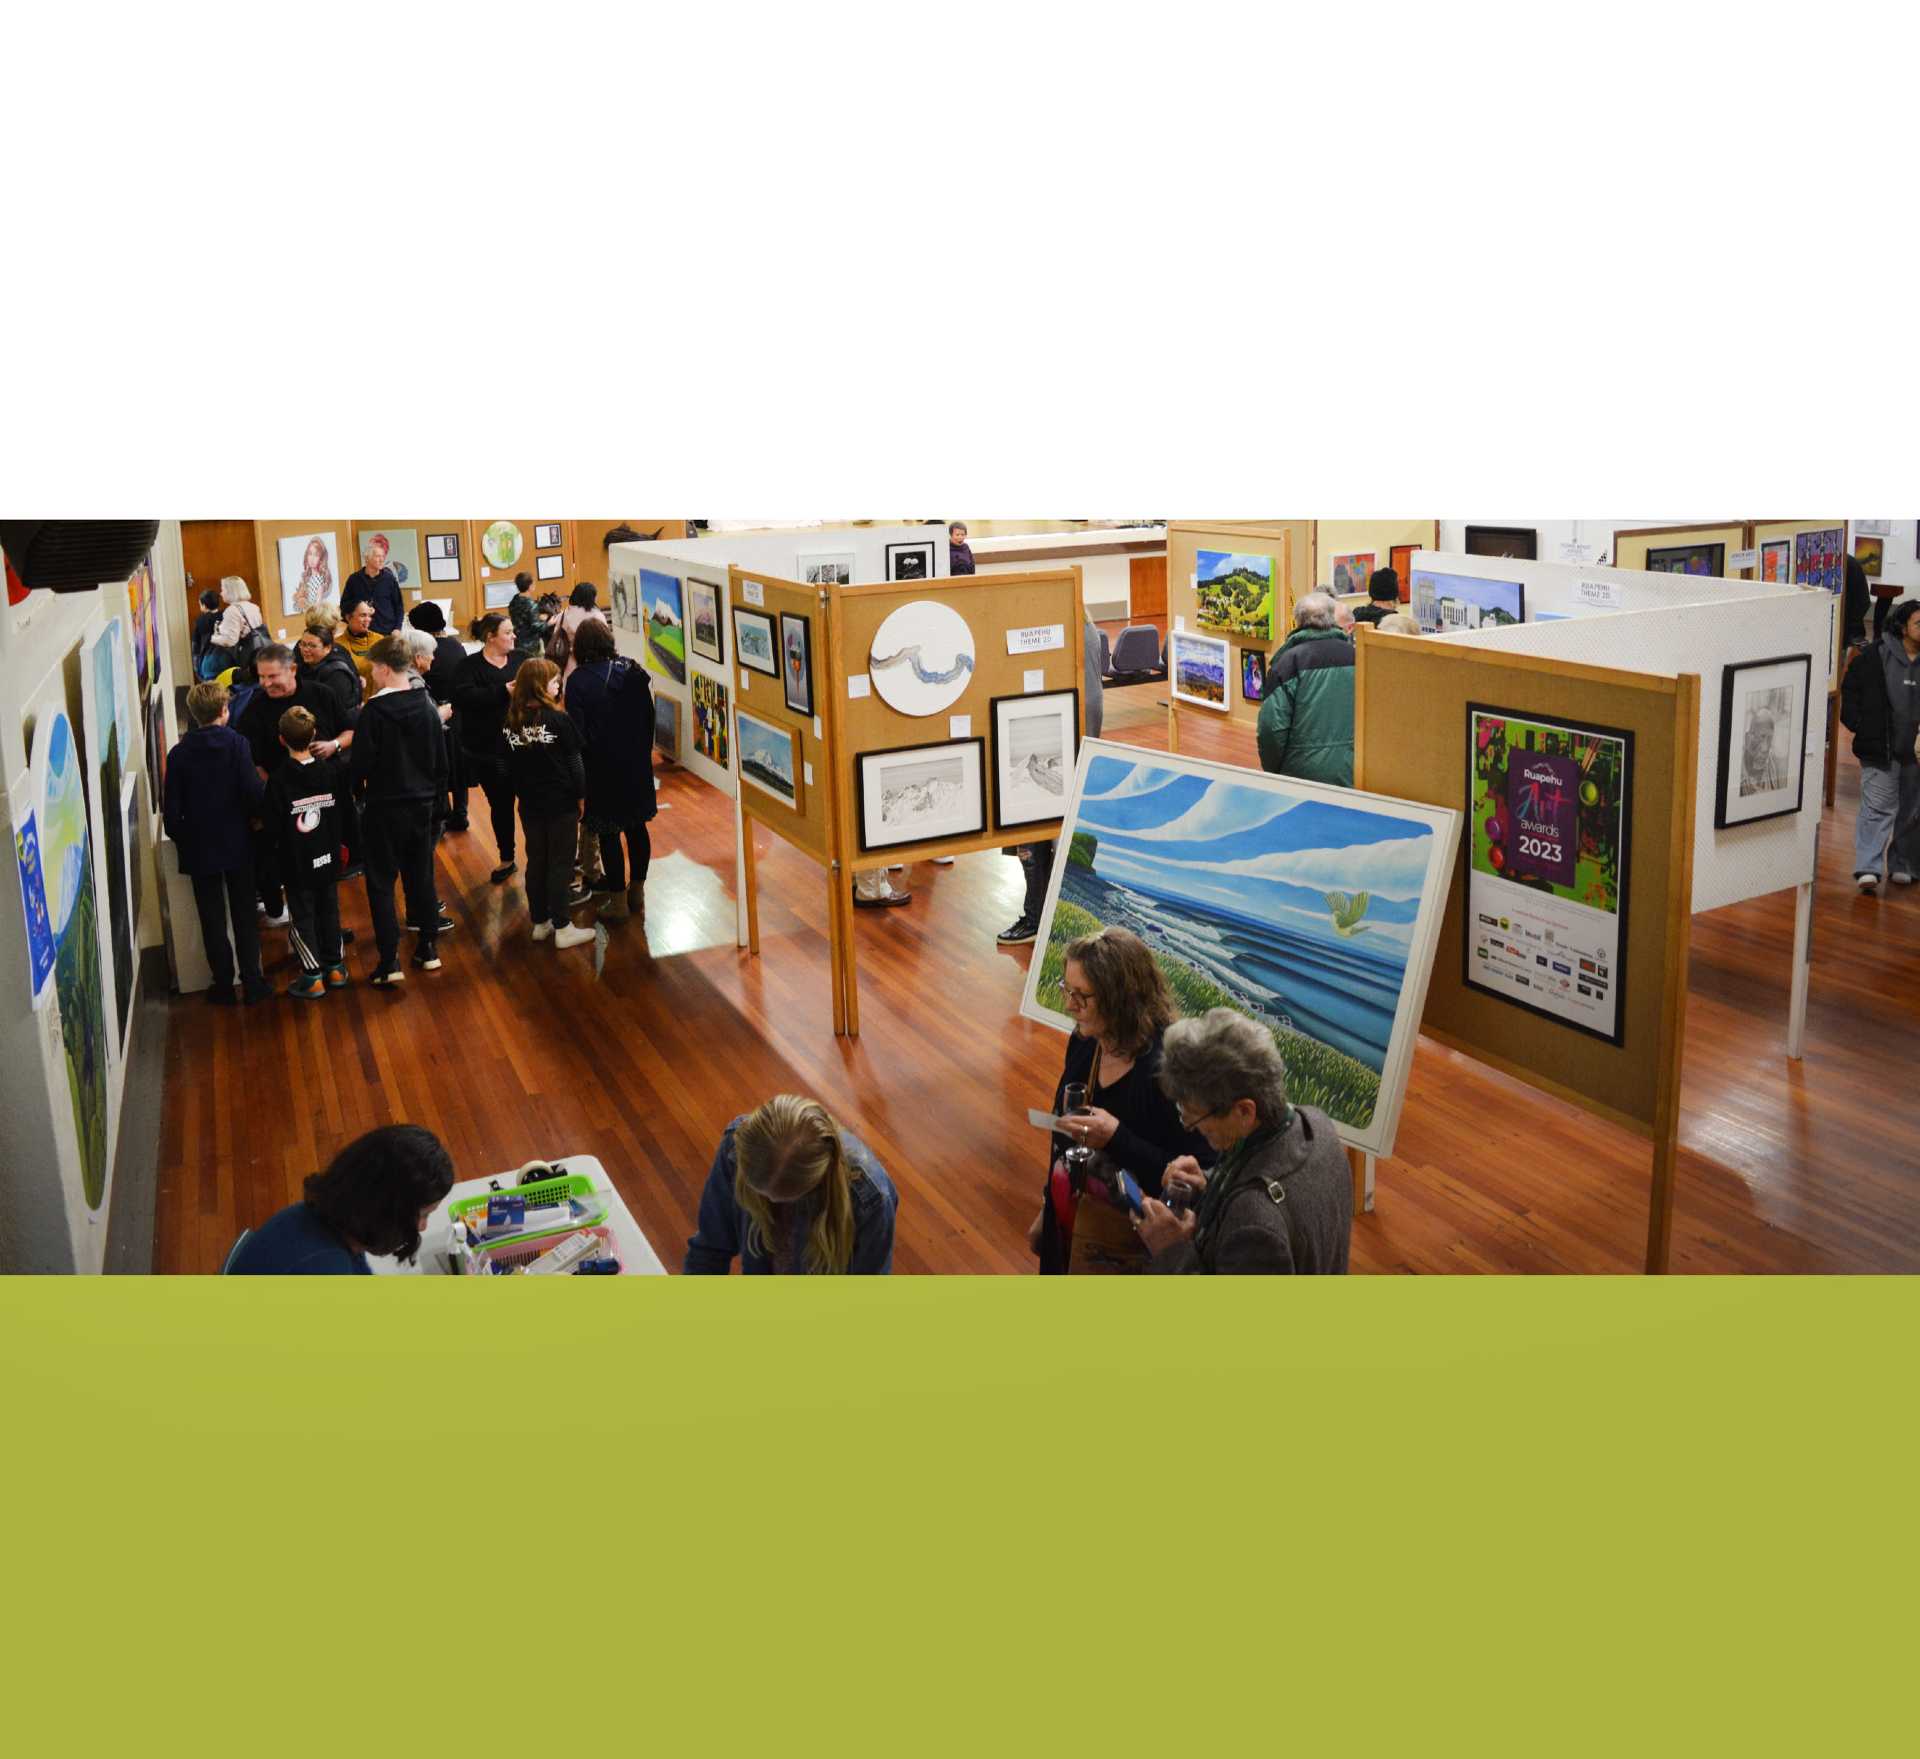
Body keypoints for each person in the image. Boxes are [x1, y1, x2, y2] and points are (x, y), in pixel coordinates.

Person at [1032, 926, 1217, 1274]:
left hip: (1128, 1249)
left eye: (1082, 996)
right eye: (1066, 989)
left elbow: (1195, 1179)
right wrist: (1049, 1207)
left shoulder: (1169, 1070)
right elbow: (1065, 1139)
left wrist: (1116, 1138)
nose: (1069, 1004)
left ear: (1120, 997)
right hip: (1072, 1220)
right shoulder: (1085, 1041)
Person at [1137, 1008, 1353, 1274]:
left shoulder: (1255, 1226)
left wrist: (1170, 1251)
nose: (1192, 1128)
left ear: (1244, 1111)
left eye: (1196, 1116)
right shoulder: (1317, 1123)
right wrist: (1211, 1186)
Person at [684, 1095, 898, 1274]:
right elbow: (709, 1250)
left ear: (816, 1182)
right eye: (760, 1194)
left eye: (785, 1198)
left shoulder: (871, 1198)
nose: (769, 1202)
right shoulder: (737, 1148)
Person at [999, 609, 1105, 944]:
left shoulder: (1069, 632)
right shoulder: (1085, 628)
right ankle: (1043, 918)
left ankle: (1037, 920)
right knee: (1043, 839)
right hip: (1073, 750)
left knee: (1034, 838)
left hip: (1063, 753)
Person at [161, 681, 269, 1004]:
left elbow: (172, 811)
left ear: (193, 714)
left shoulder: (178, 754)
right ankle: (253, 981)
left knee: (211, 919)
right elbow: (253, 791)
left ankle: (223, 984)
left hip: (200, 847)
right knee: (244, 915)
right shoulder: (237, 744)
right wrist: (256, 822)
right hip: (238, 841)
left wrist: (187, 839)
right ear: (224, 710)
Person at [350, 636, 449, 985]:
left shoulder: (373, 712)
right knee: (421, 876)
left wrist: (358, 792)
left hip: (383, 807)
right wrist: (439, 805)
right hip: (423, 804)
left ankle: (390, 960)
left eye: (373, 669)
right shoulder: (426, 706)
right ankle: (428, 948)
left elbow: (360, 764)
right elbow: (441, 762)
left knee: (380, 883)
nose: (371, 675)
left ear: (383, 668)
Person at [224, 1125, 455, 1274]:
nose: (423, 1227)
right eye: (423, 1215)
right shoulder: (324, 1267)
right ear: (384, 1210)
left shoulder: (330, 1216)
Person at [234, 643, 353, 928]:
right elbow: (253, 763)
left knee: (328, 879)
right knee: (297, 881)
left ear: (293, 670)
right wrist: (279, 789)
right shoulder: (255, 710)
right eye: (261, 677)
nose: (265, 683)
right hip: (286, 814)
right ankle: (304, 931)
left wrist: (334, 745)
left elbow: (350, 730)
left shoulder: (322, 694)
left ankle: (329, 932)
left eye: (272, 676)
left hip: (328, 805)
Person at [564, 616, 656, 923]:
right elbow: (649, 719)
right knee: (637, 828)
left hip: (600, 769)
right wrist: (641, 753)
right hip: (636, 765)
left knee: (608, 833)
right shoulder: (633, 671)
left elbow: (577, 733)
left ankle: (617, 902)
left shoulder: (578, 681)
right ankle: (638, 891)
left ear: (579, 647)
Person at [503, 658, 596, 950]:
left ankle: (540, 922)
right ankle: (563, 926)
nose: (559, 687)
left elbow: (505, 765)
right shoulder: (558, 720)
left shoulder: (511, 721)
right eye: (555, 682)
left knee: (537, 860)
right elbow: (575, 763)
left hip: (529, 803)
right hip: (560, 803)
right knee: (560, 863)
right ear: (541, 686)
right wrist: (581, 796)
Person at [261, 706, 353, 999]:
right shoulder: (332, 772)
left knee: (303, 916)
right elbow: (344, 812)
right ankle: (335, 967)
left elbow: (272, 827)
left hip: (296, 863)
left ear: (281, 739)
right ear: (314, 734)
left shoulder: (278, 780)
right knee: (330, 910)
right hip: (329, 856)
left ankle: (312, 976)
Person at [1840, 597, 1920, 893]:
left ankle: (1903, 864)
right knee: (1876, 808)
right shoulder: (1875, 655)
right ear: (1902, 627)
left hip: (1916, 754)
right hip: (1881, 747)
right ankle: (1868, 867)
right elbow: (1851, 689)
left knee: (1912, 812)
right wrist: (1858, 724)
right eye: (1919, 623)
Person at [451, 612, 524, 883]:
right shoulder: (468, 667)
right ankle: (507, 857)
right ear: (490, 637)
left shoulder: (521, 659)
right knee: (501, 805)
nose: (514, 636)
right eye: (507, 632)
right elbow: (463, 698)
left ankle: (541, 856)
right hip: (487, 751)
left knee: (532, 804)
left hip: (524, 747)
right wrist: (503, 691)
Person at [1256, 591, 1355, 786]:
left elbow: (1271, 729)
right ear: (1332, 617)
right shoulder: (1357, 657)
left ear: (1298, 621)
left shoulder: (1287, 662)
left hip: (1298, 773)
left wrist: (1274, 771)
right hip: (1351, 769)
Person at [410, 601, 470, 831]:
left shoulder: (427, 650)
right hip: (459, 713)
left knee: (439, 767)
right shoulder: (456, 645)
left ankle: (442, 816)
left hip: (435, 714)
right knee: (459, 765)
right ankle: (461, 813)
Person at [296, 609, 364, 718]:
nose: (305, 649)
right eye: (303, 644)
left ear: (327, 648)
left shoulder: (337, 674)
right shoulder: (303, 663)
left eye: (312, 646)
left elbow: (334, 711)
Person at [545, 580, 608, 687]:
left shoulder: (564, 614)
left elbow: (556, 632)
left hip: (569, 662)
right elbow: (606, 640)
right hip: (593, 663)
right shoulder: (597, 616)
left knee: (571, 689)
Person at [338, 532, 403, 634]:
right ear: (367, 558)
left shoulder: (390, 579)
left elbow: (399, 607)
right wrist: (361, 608)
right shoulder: (354, 579)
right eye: (378, 556)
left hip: (387, 632)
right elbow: (344, 607)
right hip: (361, 633)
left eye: (383, 556)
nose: (382, 560)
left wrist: (397, 628)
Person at [207, 576, 265, 674]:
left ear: (231, 591)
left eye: (223, 590)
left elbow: (230, 641)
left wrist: (213, 638)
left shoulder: (231, 611)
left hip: (243, 658)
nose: (221, 593)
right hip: (257, 652)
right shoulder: (254, 607)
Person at [335, 597, 382, 692]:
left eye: (369, 615)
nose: (368, 619)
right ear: (348, 617)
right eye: (363, 615)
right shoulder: (337, 645)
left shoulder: (379, 640)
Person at [289, 537, 335, 616]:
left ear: (321, 559)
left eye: (316, 555)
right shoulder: (305, 577)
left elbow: (316, 608)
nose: (312, 558)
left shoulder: (321, 581)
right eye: (310, 554)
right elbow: (296, 606)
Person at [508, 571, 544, 658]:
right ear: (530, 586)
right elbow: (536, 627)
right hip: (530, 646)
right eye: (533, 583)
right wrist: (549, 623)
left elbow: (522, 618)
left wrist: (537, 617)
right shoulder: (531, 604)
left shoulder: (514, 601)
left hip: (516, 642)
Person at [190, 586, 223, 678]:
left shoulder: (200, 620)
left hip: (208, 658)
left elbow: (195, 645)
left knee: (211, 684)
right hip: (226, 656)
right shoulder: (225, 615)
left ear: (204, 605)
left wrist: (196, 666)